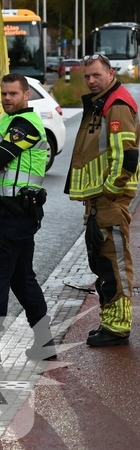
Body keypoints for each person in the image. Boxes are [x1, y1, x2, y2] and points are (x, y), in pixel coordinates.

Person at [0, 73, 54, 371]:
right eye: (4, 93)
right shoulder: (5, 122)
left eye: (13, 94)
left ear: (26, 95)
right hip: (14, 212)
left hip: (15, 213)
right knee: (20, 278)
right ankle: (44, 343)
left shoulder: (25, 125)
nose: (6, 98)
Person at [66, 53, 138, 347]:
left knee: (114, 264)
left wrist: (109, 192)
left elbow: (127, 157)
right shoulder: (101, 104)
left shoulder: (116, 105)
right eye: (87, 76)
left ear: (110, 73)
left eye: (96, 75)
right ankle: (109, 322)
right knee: (102, 264)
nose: (92, 81)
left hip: (110, 201)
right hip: (99, 202)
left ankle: (118, 327)